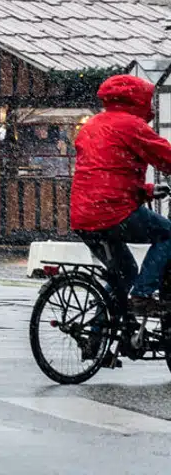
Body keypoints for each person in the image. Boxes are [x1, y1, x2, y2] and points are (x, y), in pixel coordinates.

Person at [71, 74, 171, 316]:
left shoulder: (92, 125)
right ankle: (142, 295)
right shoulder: (131, 125)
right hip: (114, 212)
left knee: (124, 274)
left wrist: (147, 190)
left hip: (84, 216)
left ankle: (97, 333)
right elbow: (166, 157)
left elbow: (106, 174)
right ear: (137, 100)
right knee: (168, 234)